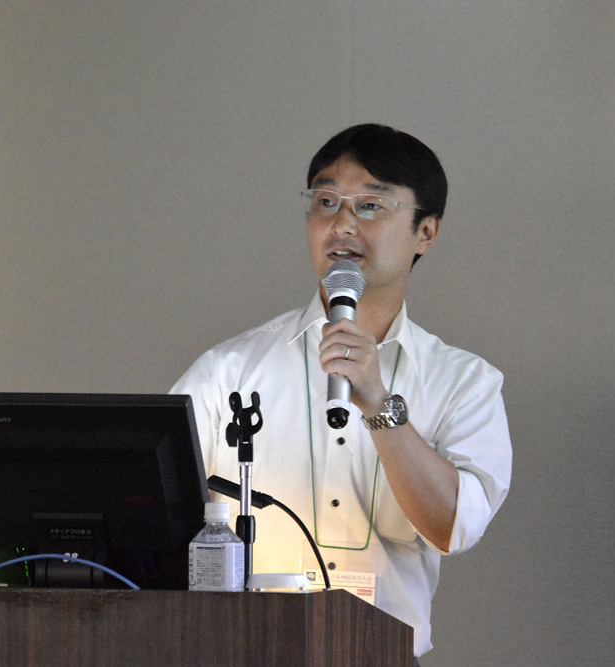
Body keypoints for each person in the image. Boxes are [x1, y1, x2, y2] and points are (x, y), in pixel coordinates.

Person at [170, 123, 511, 660]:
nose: (342, 224)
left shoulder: (463, 382)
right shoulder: (228, 371)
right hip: (241, 650)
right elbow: (158, 515)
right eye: (326, 201)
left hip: (380, 655)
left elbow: (454, 527)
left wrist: (377, 403)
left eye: (371, 206)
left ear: (426, 232)